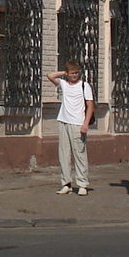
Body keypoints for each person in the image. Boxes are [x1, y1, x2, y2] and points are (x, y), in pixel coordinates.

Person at [46, 60, 95, 196]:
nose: (74, 75)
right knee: (64, 154)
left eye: (76, 73)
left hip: (78, 123)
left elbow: (90, 106)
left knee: (79, 154)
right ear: (67, 74)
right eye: (72, 73)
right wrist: (64, 72)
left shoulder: (84, 86)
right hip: (63, 121)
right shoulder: (64, 85)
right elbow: (50, 75)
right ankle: (66, 183)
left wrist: (85, 124)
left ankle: (82, 184)